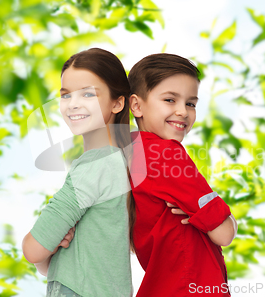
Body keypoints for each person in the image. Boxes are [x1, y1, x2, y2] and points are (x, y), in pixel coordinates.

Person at [21, 48, 189, 297]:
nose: (73, 104)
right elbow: (50, 263)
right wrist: (49, 252)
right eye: (66, 95)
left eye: (88, 94)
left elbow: (34, 249)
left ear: (118, 102)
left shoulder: (95, 165)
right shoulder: (123, 162)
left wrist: (43, 248)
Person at [127, 53, 239, 296]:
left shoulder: (130, 153)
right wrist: (227, 218)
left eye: (191, 103)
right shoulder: (167, 154)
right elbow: (224, 233)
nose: (183, 112)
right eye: (170, 99)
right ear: (136, 105)